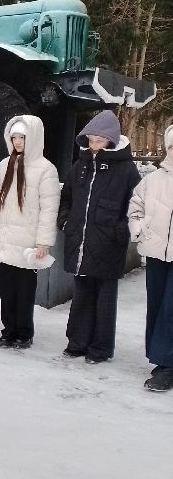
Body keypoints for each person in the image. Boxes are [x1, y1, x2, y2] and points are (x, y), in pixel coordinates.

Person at [57, 109, 140, 363]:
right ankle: (77, 342)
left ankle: (100, 349)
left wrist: (120, 231)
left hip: (108, 245)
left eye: (99, 141)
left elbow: (136, 205)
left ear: (110, 140)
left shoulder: (127, 170)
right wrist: (66, 222)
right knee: (82, 294)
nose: (94, 146)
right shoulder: (79, 166)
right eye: (91, 140)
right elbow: (66, 198)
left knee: (104, 299)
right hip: (81, 243)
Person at [0, 116, 60, 349]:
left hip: (28, 243)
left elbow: (49, 209)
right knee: (6, 290)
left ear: (34, 137)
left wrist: (43, 242)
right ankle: (8, 330)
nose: (17, 142)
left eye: (23, 137)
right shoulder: (4, 165)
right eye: (14, 137)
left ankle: (24, 332)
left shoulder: (45, 169)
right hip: (4, 240)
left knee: (25, 291)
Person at [128, 123, 173, 390]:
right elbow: (136, 207)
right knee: (157, 305)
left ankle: (168, 365)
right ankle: (159, 357)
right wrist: (139, 228)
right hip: (156, 252)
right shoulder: (152, 180)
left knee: (171, 307)